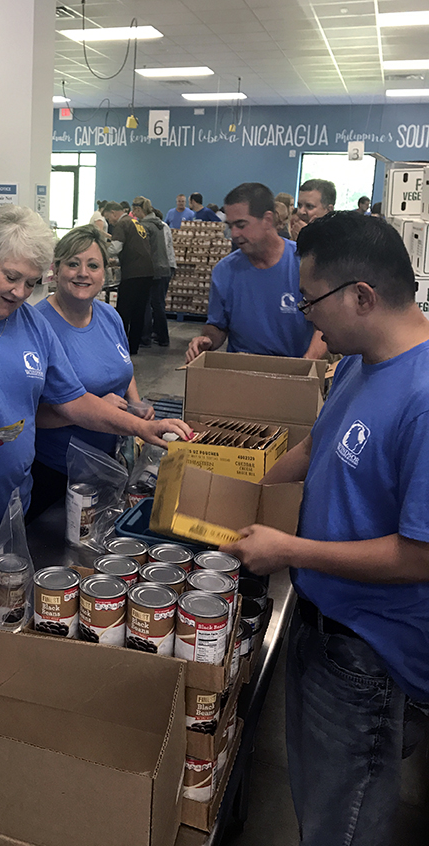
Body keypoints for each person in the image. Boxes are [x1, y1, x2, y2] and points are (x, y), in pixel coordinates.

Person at [221, 212, 429, 846]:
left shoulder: (422, 396)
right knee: (318, 797)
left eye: (312, 301)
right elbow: (317, 447)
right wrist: (240, 498)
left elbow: (420, 556)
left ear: (361, 297)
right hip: (320, 620)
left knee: (345, 818)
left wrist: (287, 547)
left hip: (369, 647)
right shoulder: (360, 364)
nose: (305, 316)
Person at [0, 206, 191, 570]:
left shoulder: (32, 325)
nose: (20, 292)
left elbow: (73, 401)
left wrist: (142, 427)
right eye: (11, 277)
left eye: (31, 282)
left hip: (9, 511)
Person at [30, 225, 155, 514]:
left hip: (108, 463)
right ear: (56, 269)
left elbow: (124, 366)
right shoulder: (37, 325)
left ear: (104, 273)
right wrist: (99, 408)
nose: (83, 273)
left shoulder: (109, 316)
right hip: (55, 471)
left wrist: (134, 402)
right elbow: (27, 413)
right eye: (73, 264)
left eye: (93, 265)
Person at [185, 182, 326, 363]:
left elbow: (324, 323)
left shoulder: (304, 263)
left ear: (268, 220)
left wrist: (308, 361)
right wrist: (207, 340)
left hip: (294, 371)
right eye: (231, 225)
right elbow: (217, 325)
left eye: (241, 225)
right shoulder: (225, 271)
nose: (234, 234)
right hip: (241, 374)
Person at [102, 201, 155, 355]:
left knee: (124, 311)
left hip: (133, 273)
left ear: (114, 213)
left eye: (109, 218)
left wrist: (100, 251)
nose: (110, 222)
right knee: (139, 311)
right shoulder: (135, 222)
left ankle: (120, 347)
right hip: (147, 271)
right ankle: (133, 346)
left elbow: (115, 248)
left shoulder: (122, 224)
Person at [131, 197, 172, 348]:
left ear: (138, 209)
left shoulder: (144, 226)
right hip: (163, 268)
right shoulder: (159, 224)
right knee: (158, 304)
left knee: (146, 304)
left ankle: (145, 337)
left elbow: (141, 249)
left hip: (151, 269)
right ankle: (162, 337)